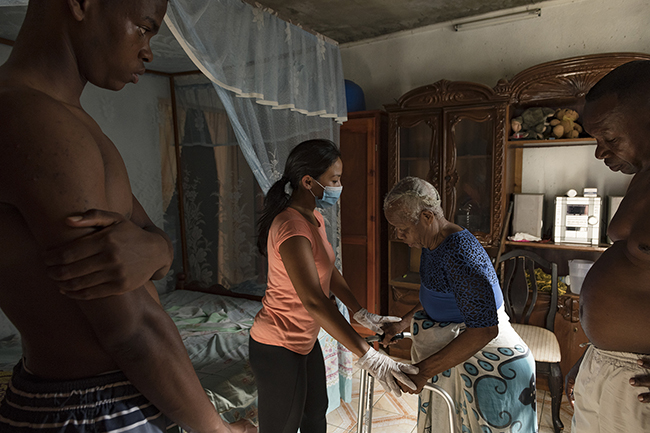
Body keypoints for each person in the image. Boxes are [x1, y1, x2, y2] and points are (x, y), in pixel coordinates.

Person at [0, 1, 251, 432]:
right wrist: (218, 430)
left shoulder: (71, 121)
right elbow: (130, 329)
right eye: (144, 28)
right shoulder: (34, 120)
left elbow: (149, 235)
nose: (148, 51)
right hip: (92, 403)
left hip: (104, 395)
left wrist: (158, 249)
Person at [249, 139, 418, 433]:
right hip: (277, 344)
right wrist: (367, 354)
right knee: (281, 428)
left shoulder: (313, 217)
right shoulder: (290, 228)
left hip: (304, 339)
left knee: (315, 415)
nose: (339, 186)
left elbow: (328, 270)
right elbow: (314, 300)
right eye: (334, 180)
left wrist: (360, 311)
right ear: (308, 181)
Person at [380, 176, 537, 433]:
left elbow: (485, 329)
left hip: (495, 367)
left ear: (428, 217)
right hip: (464, 358)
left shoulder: (460, 254)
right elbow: (438, 296)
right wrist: (402, 323)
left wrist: (422, 372)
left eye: (403, 228)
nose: (399, 235)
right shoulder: (433, 244)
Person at [564, 60, 650, 433]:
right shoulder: (642, 178)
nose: (600, 154)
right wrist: (593, 352)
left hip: (638, 381)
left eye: (610, 139)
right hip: (608, 365)